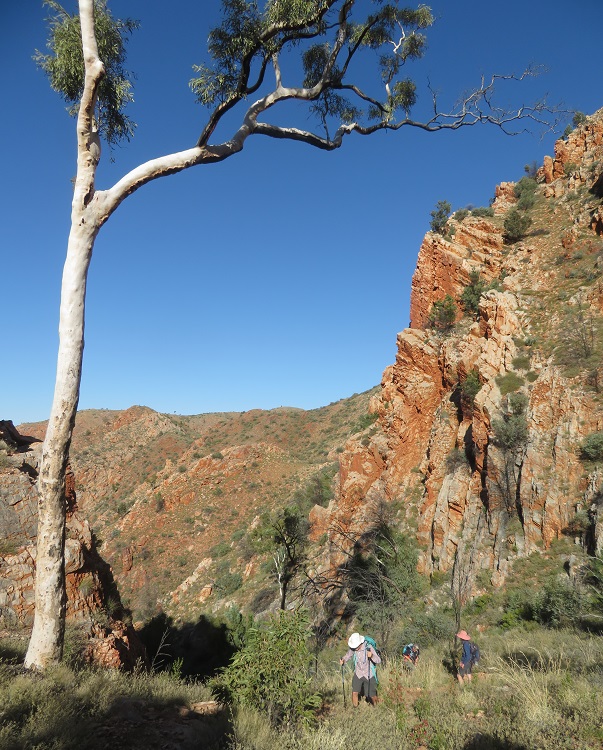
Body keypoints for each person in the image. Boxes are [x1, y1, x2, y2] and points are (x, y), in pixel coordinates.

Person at [340, 632, 381, 706]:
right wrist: (343, 660)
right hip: (358, 673)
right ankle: (355, 709)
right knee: (354, 692)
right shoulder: (353, 649)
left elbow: (378, 660)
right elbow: (348, 655)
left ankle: (377, 707)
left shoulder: (369, 647)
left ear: (360, 644)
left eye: (355, 647)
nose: (354, 648)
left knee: (372, 695)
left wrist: (371, 656)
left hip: (369, 674)